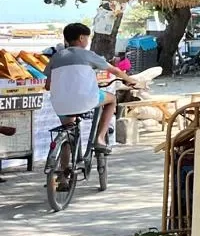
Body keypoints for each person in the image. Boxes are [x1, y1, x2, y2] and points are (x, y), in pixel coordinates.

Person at [45, 22, 137, 154]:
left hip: (60, 104)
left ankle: (63, 172)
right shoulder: (88, 55)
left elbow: (48, 86)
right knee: (111, 100)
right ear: (81, 38)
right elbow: (115, 71)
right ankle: (99, 139)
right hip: (85, 100)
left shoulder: (56, 57)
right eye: (87, 38)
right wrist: (130, 80)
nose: (88, 41)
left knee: (68, 131)